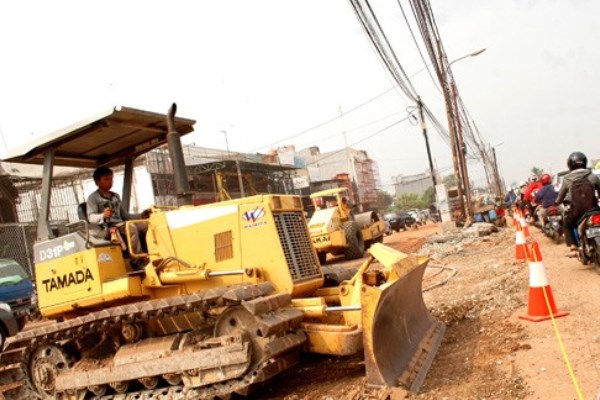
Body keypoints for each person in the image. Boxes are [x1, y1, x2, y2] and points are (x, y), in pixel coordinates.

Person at [86, 166, 149, 259]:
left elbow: (125, 215)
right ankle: (137, 259)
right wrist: (103, 215)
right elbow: (91, 217)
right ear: (97, 182)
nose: (110, 181)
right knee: (130, 228)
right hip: (109, 228)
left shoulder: (116, 196)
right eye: (106, 179)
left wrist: (141, 215)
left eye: (111, 179)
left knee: (147, 224)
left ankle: (152, 252)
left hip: (121, 224)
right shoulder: (93, 198)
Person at [555, 152, 600, 257]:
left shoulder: (567, 179)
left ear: (570, 164)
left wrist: (558, 203)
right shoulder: (593, 176)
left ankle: (573, 246)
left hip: (577, 213)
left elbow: (560, 198)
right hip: (594, 210)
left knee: (567, 223)